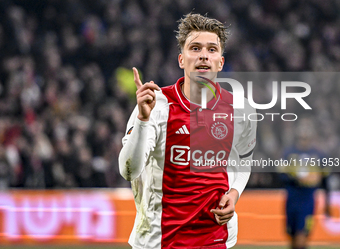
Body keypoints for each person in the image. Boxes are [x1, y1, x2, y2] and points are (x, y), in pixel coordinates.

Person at [119, 13, 257, 249]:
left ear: (220, 62)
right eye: (195, 48)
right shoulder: (157, 105)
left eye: (212, 49)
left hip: (216, 238)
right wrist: (143, 120)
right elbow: (128, 170)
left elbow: (243, 160)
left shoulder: (241, 109)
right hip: (159, 240)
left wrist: (234, 194)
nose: (204, 55)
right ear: (181, 59)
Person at [279, 118, 330, 249]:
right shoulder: (289, 153)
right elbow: (281, 175)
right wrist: (297, 179)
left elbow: (325, 179)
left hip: (307, 200)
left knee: (302, 235)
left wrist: (327, 204)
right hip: (292, 198)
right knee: (292, 234)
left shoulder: (318, 155)